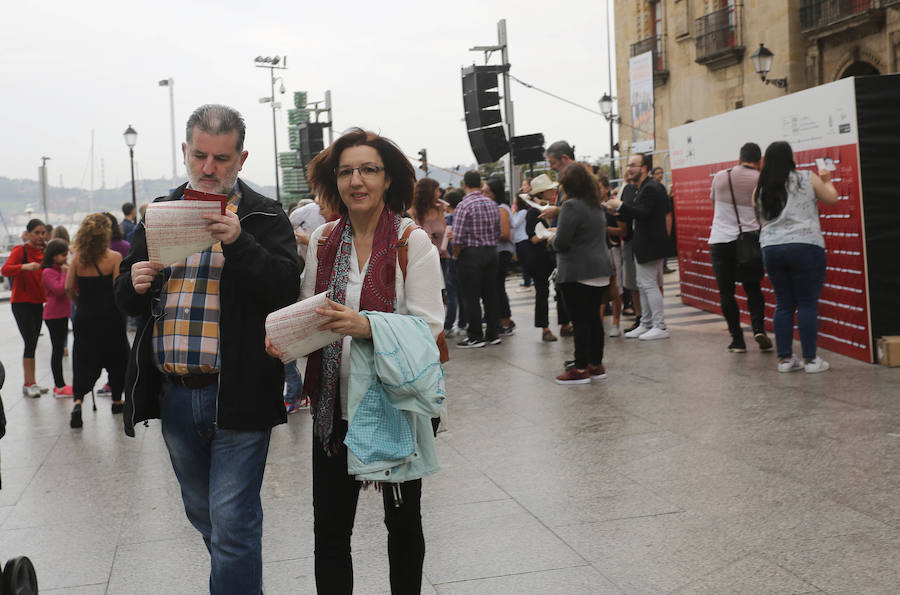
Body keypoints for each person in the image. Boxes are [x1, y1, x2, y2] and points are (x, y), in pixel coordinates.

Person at [114, 104, 300, 593]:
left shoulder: (263, 214)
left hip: (239, 392)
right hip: (175, 392)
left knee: (233, 523)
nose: (209, 168)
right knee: (205, 517)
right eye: (200, 156)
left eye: (221, 158)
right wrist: (132, 281)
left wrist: (240, 242)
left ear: (241, 158)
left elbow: (285, 288)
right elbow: (123, 294)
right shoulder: (160, 211)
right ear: (185, 152)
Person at [292, 127, 444, 593]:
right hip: (332, 406)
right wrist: (286, 337)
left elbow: (429, 327)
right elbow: (312, 314)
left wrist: (367, 326)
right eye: (346, 172)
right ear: (333, 182)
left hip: (395, 404)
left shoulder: (408, 241)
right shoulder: (322, 240)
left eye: (368, 170)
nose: (357, 181)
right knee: (331, 532)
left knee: (402, 526)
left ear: (388, 180)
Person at [755, 141, 838, 373]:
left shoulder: (761, 186)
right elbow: (832, 198)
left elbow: (758, 216)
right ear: (790, 157)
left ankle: (785, 360)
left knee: (783, 304)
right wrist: (827, 179)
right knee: (807, 303)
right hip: (805, 246)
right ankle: (811, 360)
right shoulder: (806, 178)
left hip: (771, 248)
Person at [551, 163, 613, 384]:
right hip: (600, 270)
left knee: (580, 321)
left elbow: (562, 242)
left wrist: (551, 237)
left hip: (578, 270)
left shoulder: (571, 206)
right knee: (594, 319)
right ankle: (596, 364)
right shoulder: (596, 205)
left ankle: (579, 368)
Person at [65, 213, 129, 428]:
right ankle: (117, 400)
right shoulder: (114, 257)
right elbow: (117, 289)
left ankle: (78, 401)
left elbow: (68, 287)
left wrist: (78, 304)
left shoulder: (77, 257)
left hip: (85, 316)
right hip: (109, 316)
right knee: (117, 358)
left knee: (83, 358)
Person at [708, 142, 773, 353]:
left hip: (720, 240)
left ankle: (737, 340)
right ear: (759, 161)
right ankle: (758, 329)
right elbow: (764, 211)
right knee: (753, 287)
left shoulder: (720, 176)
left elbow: (713, 203)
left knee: (726, 292)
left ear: (739, 158)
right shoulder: (760, 179)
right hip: (749, 239)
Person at [607, 153, 670, 341]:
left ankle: (659, 325)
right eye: (628, 165)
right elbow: (637, 212)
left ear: (644, 168)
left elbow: (642, 213)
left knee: (649, 285)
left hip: (650, 244)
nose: (629, 169)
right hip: (644, 243)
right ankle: (646, 322)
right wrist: (617, 209)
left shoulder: (650, 188)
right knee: (643, 285)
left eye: (633, 165)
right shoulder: (643, 187)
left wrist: (620, 206)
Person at [453, 170, 501, 348]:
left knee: (471, 296)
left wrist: (456, 255)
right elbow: (497, 231)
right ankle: (493, 333)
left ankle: (475, 335)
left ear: (464, 184)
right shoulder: (491, 203)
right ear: (481, 184)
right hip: (491, 251)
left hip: (471, 254)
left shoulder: (464, 206)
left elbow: (457, 238)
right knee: (490, 294)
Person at [1, 219, 48, 397]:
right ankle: (29, 383)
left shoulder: (45, 251)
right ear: (28, 233)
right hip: (21, 303)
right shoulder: (20, 250)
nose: (40, 236)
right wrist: (24, 267)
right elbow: (5, 269)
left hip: (38, 303)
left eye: (43, 233)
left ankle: (30, 382)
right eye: (37, 232)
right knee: (30, 342)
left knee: (33, 342)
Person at [525, 174, 560, 342]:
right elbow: (532, 238)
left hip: (551, 256)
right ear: (542, 193)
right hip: (539, 259)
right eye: (549, 189)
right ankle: (545, 328)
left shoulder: (552, 208)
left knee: (560, 290)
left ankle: (565, 323)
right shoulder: (533, 212)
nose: (553, 191)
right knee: (542, 292)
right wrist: (548, 234)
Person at [41, 238, 73, 397]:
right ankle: (59, 386)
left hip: (62, 314)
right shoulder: (48, 272)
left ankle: (60, 385)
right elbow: (59, 290)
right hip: (53, 315)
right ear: (53, 256)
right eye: (62, 255)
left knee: (59, 348)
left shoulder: (60, 269)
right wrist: (65, 274)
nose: (65, 258)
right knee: (57, 349)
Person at [483, 176, 515, 336]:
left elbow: (505, 233)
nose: (484, 195)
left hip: (501, 251)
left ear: (495, 193)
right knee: (495, 287)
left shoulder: (501, 208)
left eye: (487, 192)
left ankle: (505, 321)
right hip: (498, 251)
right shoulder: (497, 207)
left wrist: (486, 234)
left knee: (498, 287)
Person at [442, 187, 467, 336]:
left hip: (451, 257)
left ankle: (449, 324)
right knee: (463, 293)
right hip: (463, 257)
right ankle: (463, 323)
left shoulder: (448, 219)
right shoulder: (463, 216)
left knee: (452, 294)